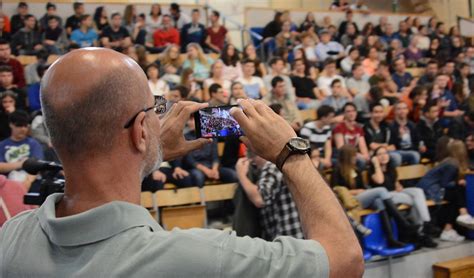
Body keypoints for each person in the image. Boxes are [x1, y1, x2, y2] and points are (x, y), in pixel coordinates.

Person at [0, 48, 363, 277]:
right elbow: (344, 261)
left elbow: (91, 183)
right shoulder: (201, 257)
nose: (164, 115)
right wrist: (291, 153)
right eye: (156, 108)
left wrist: (147, 155)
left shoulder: (12, 237)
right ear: (141, 129)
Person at [331, 144, 419, 248]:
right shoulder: (337, 170)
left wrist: (363, 190)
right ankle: (403, 223)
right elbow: (336, 192)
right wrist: (356, 191)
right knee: (382, 190)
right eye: (353, 155)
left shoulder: (356, 169)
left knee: (380, 202)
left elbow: (363, 187)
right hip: (350, 201)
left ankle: (390, 239)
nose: (356, 157)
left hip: (361, 197)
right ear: (347, 156)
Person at [369, 146, 438, 248]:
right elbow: (380, 181)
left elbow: (396, 184)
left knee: (417, 192)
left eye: (385, 153)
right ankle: (422, 232)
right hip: (386, 198)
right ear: (375, 157)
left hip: (397, 194)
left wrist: (399, 186)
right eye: (379, 154)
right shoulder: (373, 170)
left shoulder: (391, 168)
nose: (383, 156)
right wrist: (376, 164)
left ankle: (426, 224)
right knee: (416, 201)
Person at [236, 152, 304, 240]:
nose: (252, 163)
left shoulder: (271, 166)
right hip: (294, 235)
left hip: (288, 236)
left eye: (252, 159)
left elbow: (260, 199)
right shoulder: (279, 164)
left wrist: (241, 175)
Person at [417, 140, 474, 241]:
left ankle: (449, 228)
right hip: (430, 190)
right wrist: (458, 182)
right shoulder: (451, 164)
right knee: (458, 190)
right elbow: (445, 183)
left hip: (435, 188)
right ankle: (461, 216)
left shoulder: (451, 161)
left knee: (456, 196)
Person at [182, 115, 237, 187]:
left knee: (232, 175)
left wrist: (214, 170)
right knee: (198, 177)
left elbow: (215, 156)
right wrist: (206, 171)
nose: (189, 123)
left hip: (212, 167)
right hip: (196, 168)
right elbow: (190, 160)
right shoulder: (186, 137)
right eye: (189, 120)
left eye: (192, 120)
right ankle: (201, 198)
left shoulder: (210, 135)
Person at [0, 110, 43, 189]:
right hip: (8, 183)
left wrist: (27, 182)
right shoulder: (2, 145)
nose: (23, 129)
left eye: (25, 126)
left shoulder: (34, 144)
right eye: (19, 125)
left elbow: (37, 167)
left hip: (31, 182)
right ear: (11, 124)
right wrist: (22, 164)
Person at [333, 103, 370, 169]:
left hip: (356, 155)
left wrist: (365, 156)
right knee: (361, 162)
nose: (351, 113)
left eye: (353, 111)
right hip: (344, 156)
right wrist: (358, 155)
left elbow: (363, 147)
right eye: (348, 111)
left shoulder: (359, 128)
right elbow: (341, 148)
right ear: (344, 114)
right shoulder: (339, 128)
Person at [300, 105, 335, 170]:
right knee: (317, 164)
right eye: (330, 117)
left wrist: (327, 159)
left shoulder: (327, 128)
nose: (332, 120)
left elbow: (328, 146)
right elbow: (306, 149)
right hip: (311, 156)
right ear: (323, 117)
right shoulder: (307, 128)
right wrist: (321, 160)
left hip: (322, 155)